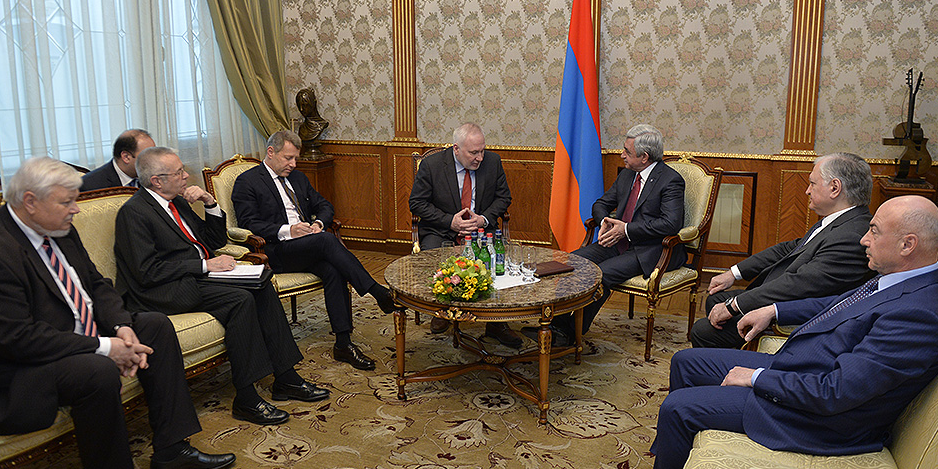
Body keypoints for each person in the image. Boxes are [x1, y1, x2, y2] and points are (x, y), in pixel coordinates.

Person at [601, 195, 938, 469]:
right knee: (687, 362)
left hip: (820, 417)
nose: (864, 239)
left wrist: (757, 378)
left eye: (875, 231)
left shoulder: (919, 314)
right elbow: (838, 305)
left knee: (679, 408)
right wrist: (773, 311)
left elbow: (836, 392)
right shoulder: (901, 278)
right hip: (804, 371)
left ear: (908, 244)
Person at [0, 157, 235, 469]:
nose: (76, 209)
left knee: (154, 325)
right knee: (96, 370)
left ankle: (172, 451)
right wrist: (106, 348)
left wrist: (121, 327)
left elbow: (95, 284)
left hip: (74, 334)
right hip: (18, 368)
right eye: (67, 202)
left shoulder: (56, 225)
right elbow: (18, 339)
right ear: (30, 201)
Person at [114, 146, 330, 428]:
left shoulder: (176, 202)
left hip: (193, 277)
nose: (186, 176)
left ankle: (286, 378)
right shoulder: (134, 213)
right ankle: (247, 398)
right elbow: (147, 271)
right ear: (157, 181)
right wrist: (205, 266)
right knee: (240, 300)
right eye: (179, 172)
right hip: (162, 290)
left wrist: (209, 203)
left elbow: (212, 241)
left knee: (262, 285)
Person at [232, 130, 398, 371]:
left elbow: (325, 205)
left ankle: (343, 343)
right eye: (288, 158)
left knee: (333, 269)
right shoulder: (248, 182)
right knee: (327, 242)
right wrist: (289, 230)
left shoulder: (298, 178)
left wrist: (318, 223)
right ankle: (376, 291)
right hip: (276, 250)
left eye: (295, 158)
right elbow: (249, 224)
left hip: (307, 246)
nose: (293, 164)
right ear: (271, 152)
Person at [691, 152, 874, 349]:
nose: (807, 191)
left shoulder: (851, 236)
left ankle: (733, 364)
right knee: (715, 300)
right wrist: (733, 274)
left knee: (702, 331)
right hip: (782, 293)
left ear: (835, 188)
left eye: (812, 183)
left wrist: (734, 305)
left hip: (794, 313)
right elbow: (787, 249)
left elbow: (798, 284)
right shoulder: (840, 221)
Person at [524, 125, 685, 347]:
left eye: (627, 151)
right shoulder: (627, 174)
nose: (622, 155)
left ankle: (573, 333)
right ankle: (555, 326)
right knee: (572, 261)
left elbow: (670, 224)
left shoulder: (670, 180)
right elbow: (601, 204)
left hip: (649, 250)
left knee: (601, 274)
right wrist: (604, 222)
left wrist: (626, 229)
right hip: (616, 242)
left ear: (644, 157)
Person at [408, 122, 519, 347]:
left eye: (482, 151)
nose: (480, 158)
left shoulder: (493, 162)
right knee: (433, 255)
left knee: (496, 261)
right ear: (456, 149)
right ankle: (442, 310)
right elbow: (417, 203)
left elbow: (504, 197)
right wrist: (450, 222)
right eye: (474, 153)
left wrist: (483, 218)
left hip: (482, 230)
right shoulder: (432, 165)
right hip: (441, 230)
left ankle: (496, 322)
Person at [80, 129, 156, 191]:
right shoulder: (90, 185)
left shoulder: (155, 177)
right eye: (148, 156)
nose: (154, 161)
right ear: (126, 157)